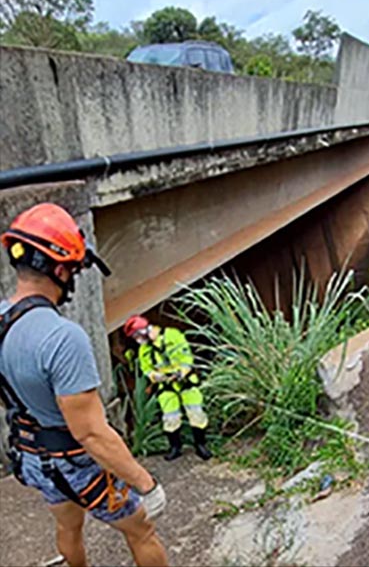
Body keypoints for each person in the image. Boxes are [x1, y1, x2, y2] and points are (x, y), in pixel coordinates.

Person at [0, 203, 169, 567]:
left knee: (68, 527)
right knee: (141, 529)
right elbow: (92, 434)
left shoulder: (1, 322)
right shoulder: (63, 338)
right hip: (75, 463)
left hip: (31, 457)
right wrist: (145, 484)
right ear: (59, 268)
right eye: (74, 270)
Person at [123, 316, 211, 461]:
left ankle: (201, 445)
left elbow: (186, 356)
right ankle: (175, 447)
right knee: (170, 417)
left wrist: (182, 372)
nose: (137, 340)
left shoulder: (172, 335)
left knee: (196, 413)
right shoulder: (144, 350)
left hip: (186, 382)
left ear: (144, 330)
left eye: (137, 335)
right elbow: (146, 368)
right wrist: (154, 376)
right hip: (165, 386)